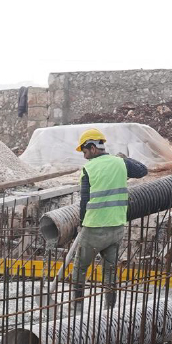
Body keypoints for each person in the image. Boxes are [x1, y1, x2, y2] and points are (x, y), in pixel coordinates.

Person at [65, 129, 148, 309]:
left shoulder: (89, 169)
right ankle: (110, 309)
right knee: (110, 271)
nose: (85, 156)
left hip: (94, 228)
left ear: (93, 148)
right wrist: (123, 159)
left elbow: (85, 202)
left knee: (80, 268)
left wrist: (80, 226)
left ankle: (76, 307)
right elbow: (143, 170)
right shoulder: (120, 163)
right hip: (116, 228)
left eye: (85, 151)